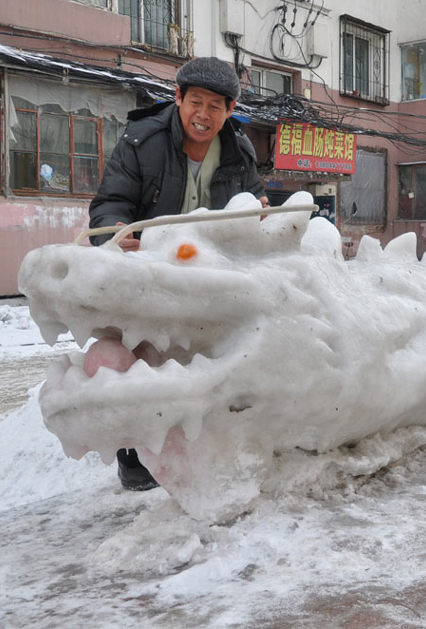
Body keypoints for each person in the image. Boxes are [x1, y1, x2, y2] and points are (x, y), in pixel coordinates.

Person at [88, 56, 268, 490]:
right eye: (195, 102)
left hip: (208, 277)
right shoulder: (142, 141)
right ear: (178, 98)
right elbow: (110, 202)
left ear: (230, 110)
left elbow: (255, 203)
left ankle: (205, 441)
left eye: (215, 106)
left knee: (209, 357)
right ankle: (133, 453)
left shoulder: (239, 152)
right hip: (149, 275)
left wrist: (261, 215)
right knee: (141, 358)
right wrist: (114, 231)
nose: (203, 115)